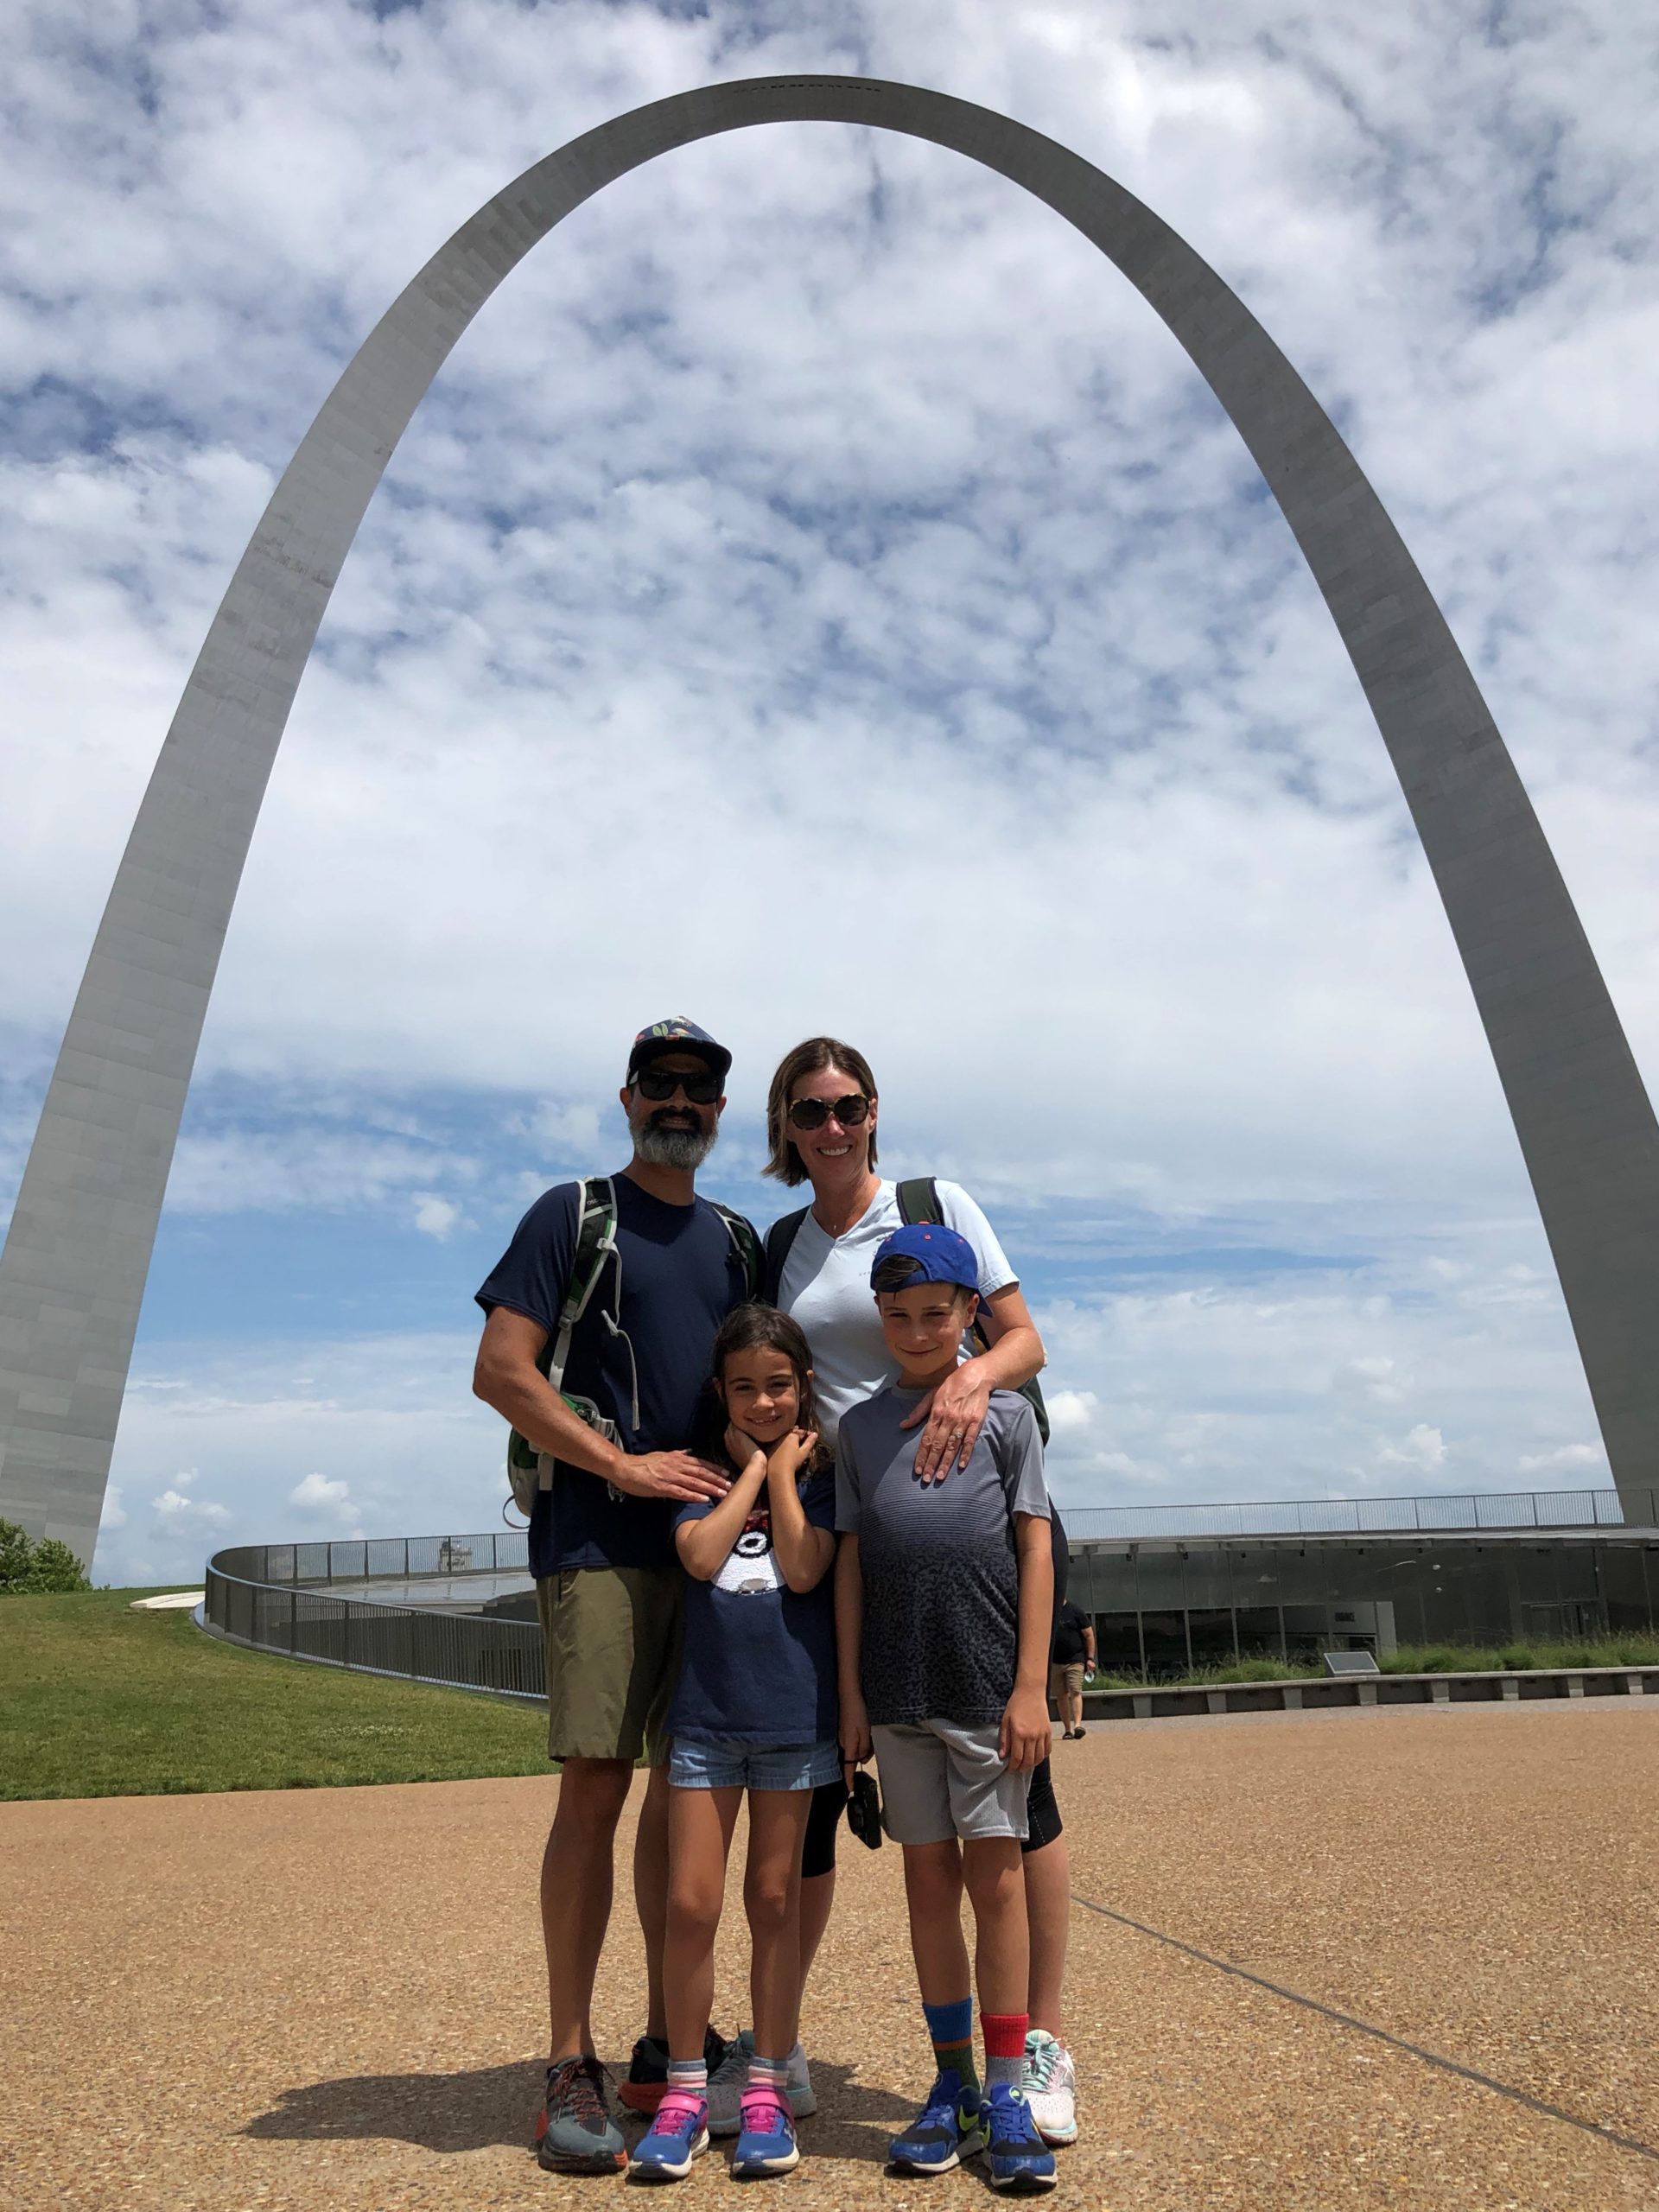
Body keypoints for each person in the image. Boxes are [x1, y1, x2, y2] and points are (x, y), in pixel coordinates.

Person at [756, 1035, 1078, 2146]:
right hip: (861, 1508)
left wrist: (969, 1381)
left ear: (874, 1110)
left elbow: (1024, 1338)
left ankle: (1029, 2051)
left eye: (846, 1105)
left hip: (975, 1515)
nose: (830, 1125)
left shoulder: (936, 1207)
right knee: (920, 1857)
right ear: (786, 1124)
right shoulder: (783, 1246)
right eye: (809, 1109)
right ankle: (902, 2067)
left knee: (1018, 1827)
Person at [472, 1019, 754, 2176]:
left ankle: (663, 2046)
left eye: (699, 1089)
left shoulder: (735, 1237)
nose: (679, 1102)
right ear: (628, 1097)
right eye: (661, 1084)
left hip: (710, 1548)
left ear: (720, 1110)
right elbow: (502, 1368)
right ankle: (567, 2060)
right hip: (597, 1539)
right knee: (596, 1785)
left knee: (687, 1793)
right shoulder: (573, 1212)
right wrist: (622, 1466)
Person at [836, 1224, 1057, 2192]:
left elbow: (1035, 1546)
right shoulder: (856, 1430)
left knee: (997, 1883)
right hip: (896, 1691)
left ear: (971, 1312)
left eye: (937, 1313)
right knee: (927, 1884)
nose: (918, 1331)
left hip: (984, 1685)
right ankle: (954, 2082)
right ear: (878, 1317)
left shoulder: (1007, 1417)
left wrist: (1030, 1686)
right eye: (898, 1315)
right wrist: (850, 1693)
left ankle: (1008, 2090)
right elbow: (850, 1564)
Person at [628, 1306, 839, 2183]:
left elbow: (805, 1567)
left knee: (775, 1901)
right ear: (721, 1391)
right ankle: (683, 2091)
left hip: (791, 1723)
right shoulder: (699, 1475)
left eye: (779, 1385)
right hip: (707, 1724)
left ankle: (767, 2089)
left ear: (804, 1385)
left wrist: (783, 1474)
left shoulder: (825, 1477)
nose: (763, 1401)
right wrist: (752, 1469)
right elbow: (702, 1557)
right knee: (689, 1904)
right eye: (745, 1387)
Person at [1051, 1596, 1096, 1739]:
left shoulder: (1075, 1611)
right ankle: (1067, 1729)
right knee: (1061, 1695)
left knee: (1075, 1690)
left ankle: (1077, 1725)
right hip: (1054, 1661)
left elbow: (1089, 1635)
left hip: (1075, 1659)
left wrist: (1090, 1658)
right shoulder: (1049, 1612)